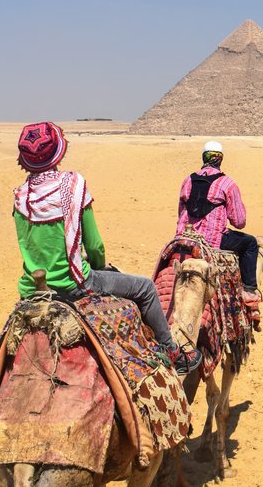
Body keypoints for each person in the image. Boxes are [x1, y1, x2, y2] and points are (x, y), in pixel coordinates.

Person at [13, 122, 200, 375]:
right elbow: (95, 245)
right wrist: (99, 266)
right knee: (144, 288)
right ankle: (172, 352)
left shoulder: (21, 197)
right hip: (73, 285)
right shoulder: (72, 187)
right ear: (58, 152)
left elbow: (28, 245)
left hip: (31, 290)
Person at [176, 140, 259, 300]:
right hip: (212, 240)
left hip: (185, 238)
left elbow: (181, 213)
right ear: (220, 159)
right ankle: (249, 291)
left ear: (203, 158)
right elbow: (239, 222)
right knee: (250, 243)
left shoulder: (187, 180)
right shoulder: (227, 184)